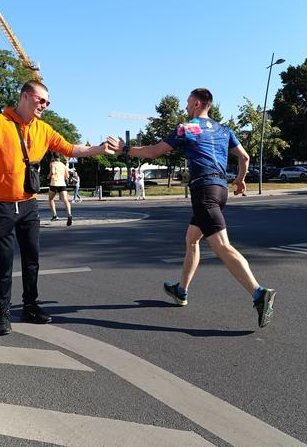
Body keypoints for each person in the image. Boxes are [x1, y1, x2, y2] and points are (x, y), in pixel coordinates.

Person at [116, 88, 277, 328]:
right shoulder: (224, 130)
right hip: (220, 189)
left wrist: (125, 149)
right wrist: (240, 180)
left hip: (203, 191)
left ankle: (258, 293)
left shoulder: (188, 127)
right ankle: (181, 291)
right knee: (192, 239)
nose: (185, 107)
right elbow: (244, 157)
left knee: (222, 246)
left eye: (188, 102)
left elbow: (155, 151)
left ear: (199, 104)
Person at [0, 79, 116, 336]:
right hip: (2, 205)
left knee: (32, 259)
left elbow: (71, 148)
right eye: (41, 100)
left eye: (48, 102)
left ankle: (30, 306)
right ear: (26, 96)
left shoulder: (44, 130)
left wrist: (98, 149)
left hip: (28, 204)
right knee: (4, 261)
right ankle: (3, 312)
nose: (45, 105)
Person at [48, 153, 72, 225]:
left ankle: (55, 215)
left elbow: (52, 172)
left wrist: (48, 176)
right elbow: (67, 176)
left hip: (54, 184)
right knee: (65, 200)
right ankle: (69, 214)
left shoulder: (52, 163)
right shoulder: (63, 165)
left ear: (53, 157)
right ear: (59, 158)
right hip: (62, 184)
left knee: (51, 199)